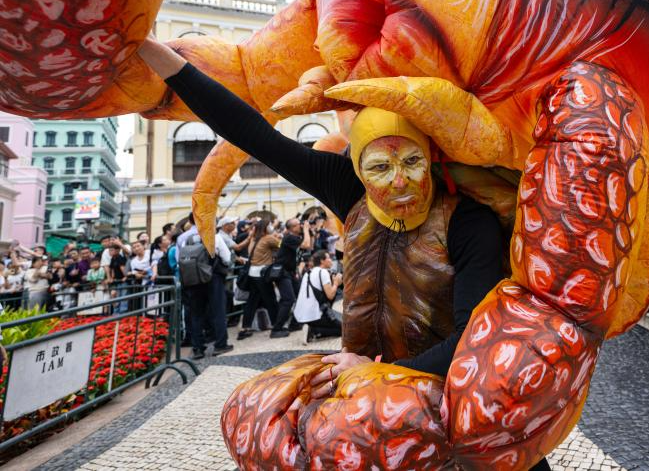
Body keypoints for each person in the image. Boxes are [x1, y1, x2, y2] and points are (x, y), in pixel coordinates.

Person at [137, 38, 504, 389]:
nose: (399, 181)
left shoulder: (469, 222)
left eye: (412, 161)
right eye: (380, 167)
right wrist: (148, 49)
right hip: (358, 387)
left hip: (446, 391)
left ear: (430, 158)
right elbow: (252, 134)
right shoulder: (348, 190)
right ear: (359, 169)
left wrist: (379, 374)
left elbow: (474, 340)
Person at [237, 218, 279, 340]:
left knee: (252, 301)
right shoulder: (268, 238)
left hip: (252, 273)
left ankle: (245, 327)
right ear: (266, 228)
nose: (271, 227)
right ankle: (277, 326)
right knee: (271, 300)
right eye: (269, 225)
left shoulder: (253, 239)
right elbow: (281, 245)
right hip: (262, 274)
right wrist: (277, 236)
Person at [294, 250, 342, 344]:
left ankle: (313, 328)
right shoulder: (323, 272)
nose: (331, 260)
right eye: (328, 258)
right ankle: (314, 330)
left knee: (338, 325)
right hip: (315, 315)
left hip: (302, 315)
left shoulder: (308, 272)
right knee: (343, 330)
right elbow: (330, 296)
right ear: (322, 261)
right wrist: (336, 283)